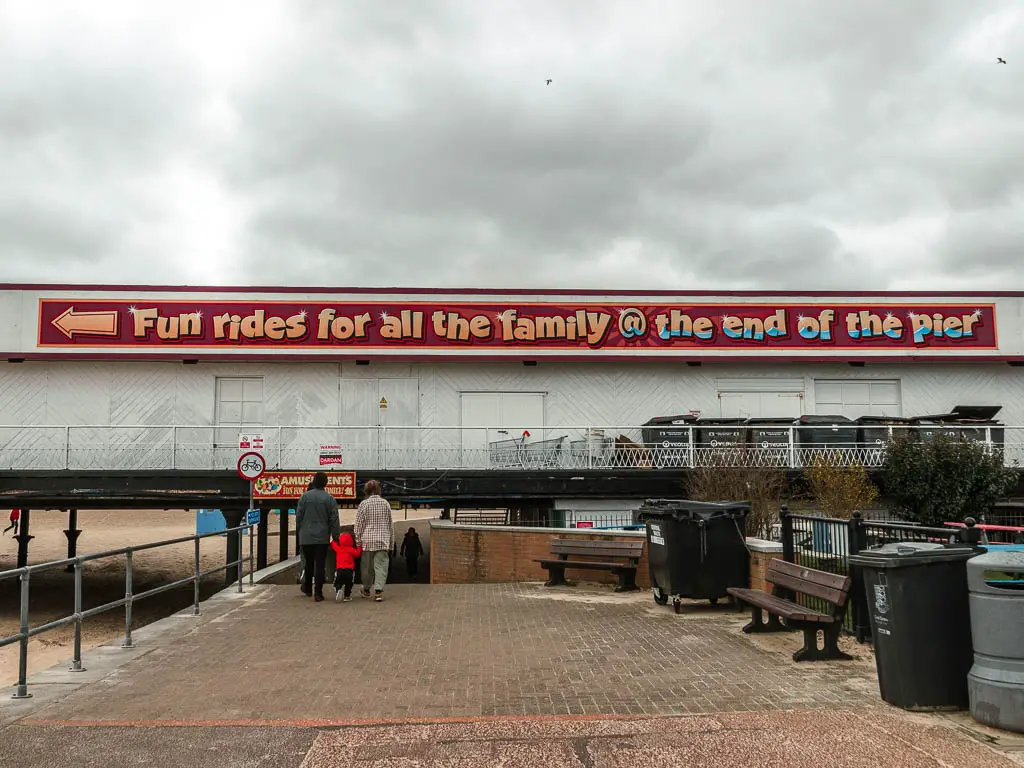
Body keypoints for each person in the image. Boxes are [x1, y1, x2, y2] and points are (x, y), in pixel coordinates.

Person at [295, 472, 340, 602]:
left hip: (306, 537)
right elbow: (334, 520)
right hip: (322, 538)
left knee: (308, 564)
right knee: (320, 565)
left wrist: (301, 530)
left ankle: (307, 588)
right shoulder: (329, 499)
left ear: (314, 482)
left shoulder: (304, 497)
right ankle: (318, 593)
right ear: (325, 483)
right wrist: (336, 537)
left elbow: (299, 516)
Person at [353, 480, 393, 602]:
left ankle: (366, 589)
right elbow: (390, 525)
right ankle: (378, 591)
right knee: (381, 567)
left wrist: (358, 541)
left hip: (367, 541)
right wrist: (391, 544)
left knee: (367, 568)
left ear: (366, 490)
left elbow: (358, 525)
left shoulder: (363, 504)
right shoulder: (385, 504)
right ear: (378, 490)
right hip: (382, 541)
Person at [329, 531, 361, 602]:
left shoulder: (339, 549)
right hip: (349, 570)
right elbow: (357, 554)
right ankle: (347, 596)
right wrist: (359, 546)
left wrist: (331, 539)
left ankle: (338, 589)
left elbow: (333, 544)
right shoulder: (351, 550)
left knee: (338, 581)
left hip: (339, 569)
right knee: (349, 584)